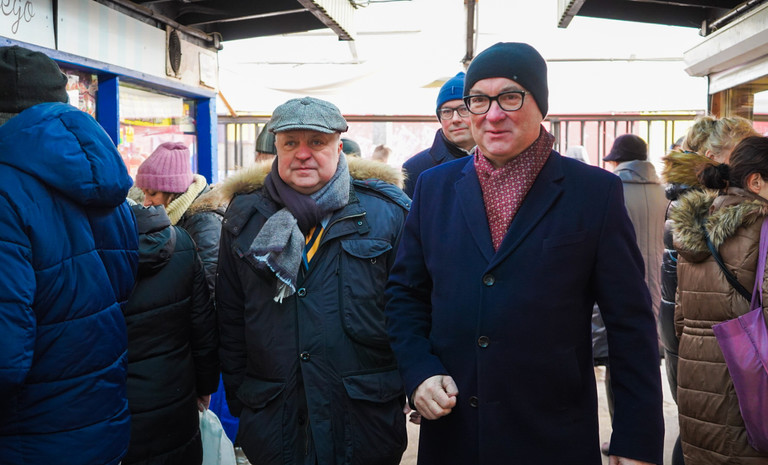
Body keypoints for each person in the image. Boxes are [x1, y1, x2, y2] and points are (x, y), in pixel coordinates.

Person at [385, 42, 664, 465]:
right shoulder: (434, 187)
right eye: (479, 100)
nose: (493, 114)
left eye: (510, 97)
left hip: (551, 433)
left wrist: (637, 439)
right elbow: (405, 295)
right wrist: (418, 371)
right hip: (456, 430)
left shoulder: (593, 192)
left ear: (541, 106)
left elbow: (630, 323)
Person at [217, 96, 410, 465]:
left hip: (364, 422)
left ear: (339, 147)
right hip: (275, 421)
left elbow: (411, 309)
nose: (302, 154)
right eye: (291, 143)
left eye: (317, 142)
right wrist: (246, 401)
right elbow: (230, 316)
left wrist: (409, 384)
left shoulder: (387, 214)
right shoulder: (243, 217)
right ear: (276, 148)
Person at [0, 46, 139, 464]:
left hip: (26, 437)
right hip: (100, 422)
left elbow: (5, 354)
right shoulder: (111, 184)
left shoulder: (5, 191)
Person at [659, 117, 757, 465]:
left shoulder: (686, 198)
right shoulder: (717, 206)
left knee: (700, 429)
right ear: (712, 155)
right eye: (739, 152)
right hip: (708, 329)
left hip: (691, 327)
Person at [122, 203, 219, 465]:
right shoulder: (182, 243)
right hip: (176, 400)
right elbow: (203, 327)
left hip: (119, 411)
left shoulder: (95, 252)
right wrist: (206, 386)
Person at [595, 134, 668, 455]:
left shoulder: (611, 189)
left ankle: (621, 436)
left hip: (622, 288)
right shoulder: (663, 191)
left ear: (617, 160)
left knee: (618, 363)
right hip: (659, 289)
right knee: (645, 363)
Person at [133, 141, 225, 293]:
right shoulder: (180, 216)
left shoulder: (204, 221)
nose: (146, 202)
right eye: (144, 193)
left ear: (173, 192)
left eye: (152, 193)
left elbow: (208, 285)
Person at [401, 71, 476, 198]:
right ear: (439, 118)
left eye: (463, 109)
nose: (455, 119)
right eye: (447, 112)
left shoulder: (500, 159)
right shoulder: (415, 168)